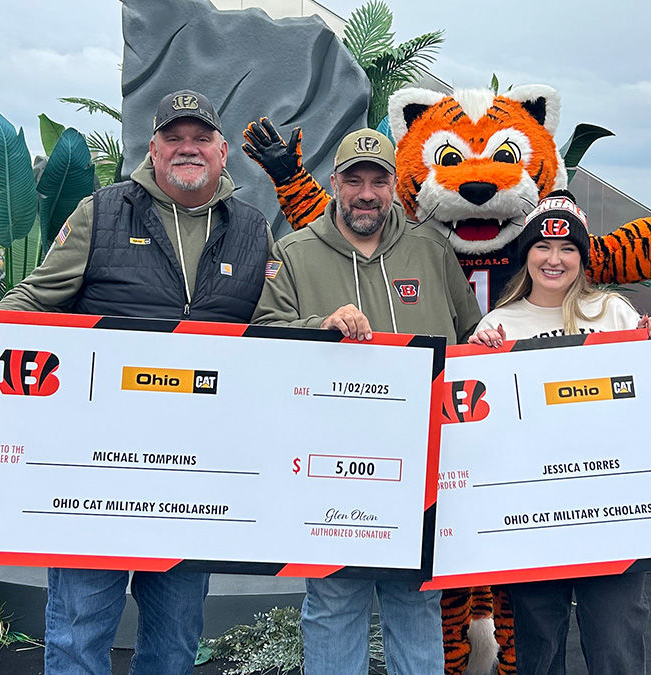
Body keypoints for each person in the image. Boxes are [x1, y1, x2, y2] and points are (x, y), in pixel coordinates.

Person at [0, 90, 272, 675]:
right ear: (153, 148)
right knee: (78, 634)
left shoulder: (252, 229)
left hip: (195, 476)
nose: (187, 149)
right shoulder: (101, 212)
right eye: (174, 138)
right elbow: (37, 297)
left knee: (175, 641)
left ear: (223, 152)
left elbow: (273, 327)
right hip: (95, 472)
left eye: (201, 139)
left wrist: (328, 335)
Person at [252, 128, 481, 674]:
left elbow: (471, 338)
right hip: (329, 468)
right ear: (334, 184)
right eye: (353, 180)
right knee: (334, 601)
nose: (366, 193)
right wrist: (320, 325)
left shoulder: (431, 250)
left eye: (378, 181)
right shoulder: (294, 252)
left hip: (422, 463)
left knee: (416, 599)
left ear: (394, 186)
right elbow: (263, 336)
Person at [469, 190, 651, 675]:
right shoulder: (499, 324)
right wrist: (476, 355)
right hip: (533, 515)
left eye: (568, 248)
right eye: (542, 246)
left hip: (613, 511)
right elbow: (481, 420)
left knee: (616, 644)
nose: (554, 259)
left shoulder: (614, 312)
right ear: (526, 255)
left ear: (582, 258)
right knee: (538, 649)